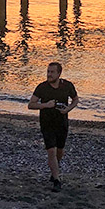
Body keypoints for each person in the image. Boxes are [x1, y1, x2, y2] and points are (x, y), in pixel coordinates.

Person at [27, 62, 79, 192]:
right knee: (51, 151)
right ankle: (57, 180)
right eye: (48, 72)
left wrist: (68, 109)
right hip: (47, 123)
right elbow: (31, 105)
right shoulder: (42, 87)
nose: (49, 74)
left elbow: (76, 100)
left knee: (59, 151)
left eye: (52, 72)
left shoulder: (67, 85)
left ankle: (54, 169)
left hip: (62, 123)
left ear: (59, 73)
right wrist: (45, 105)